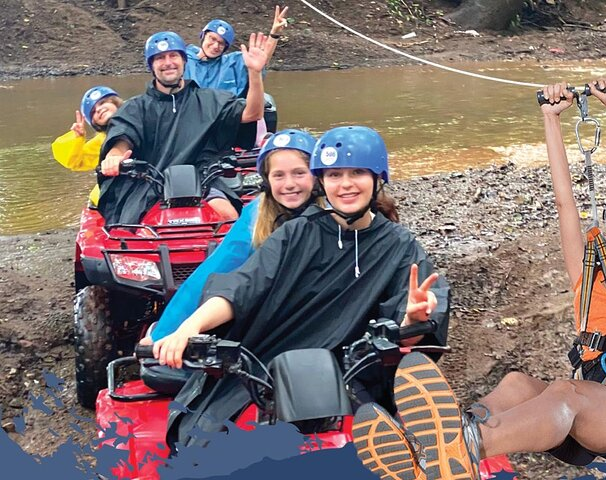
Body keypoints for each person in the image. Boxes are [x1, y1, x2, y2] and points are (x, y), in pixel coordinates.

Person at [351, 78, 606, 480]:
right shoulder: (590, 271)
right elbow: (564, 202)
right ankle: (439, 443)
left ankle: (462, 448)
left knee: (564, 390)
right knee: (517, 385)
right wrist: (550, 120)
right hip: (580, 410)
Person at [143, 126, 450, 448]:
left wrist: (413, 321)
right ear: (323, 181)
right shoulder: (296, 233)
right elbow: (243, 286)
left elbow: (413, 320)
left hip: (354, 368)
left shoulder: (400, 245)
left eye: (357, 172)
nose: (345, 184)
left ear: (377, 178)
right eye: (334, 175)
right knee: (198, 441)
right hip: (268, 361)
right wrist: (189, 326)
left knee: (371, 447)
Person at [148, 128, 321, 340]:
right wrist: (167, 333)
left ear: (316, 175)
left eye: (299, 173)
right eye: (278, 175)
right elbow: (218, 269)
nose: (290, 184)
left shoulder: (336, 213)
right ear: (266, 180)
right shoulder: (256, 218)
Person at [97, 30, 267, 225]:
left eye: (173, 56)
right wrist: (113, 158)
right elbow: (122, 139)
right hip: (149, 182)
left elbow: (252, 113)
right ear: (151, 65)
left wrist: (254, 73)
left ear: (184, 61)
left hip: (204, 179)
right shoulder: (135, 108)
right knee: (128, 228)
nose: (168, 62)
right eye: (160, 58)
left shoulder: (210, 99)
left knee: (230, 218)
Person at [184, 6, 288, 97]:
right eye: (212, 39)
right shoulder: (184, 59)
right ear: (203, 36)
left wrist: (274, 35)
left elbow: (261, 60)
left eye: (221, 43)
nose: (216, 46)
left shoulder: (233, 62)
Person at [51, 86, 123, 205]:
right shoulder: (101, 141)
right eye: (94, 111)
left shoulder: (141, 120)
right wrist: (76, 138)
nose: (99, 109)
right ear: (94, 123)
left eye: (102, 102)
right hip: (112, 196)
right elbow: (75, 162)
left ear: (115, 102)